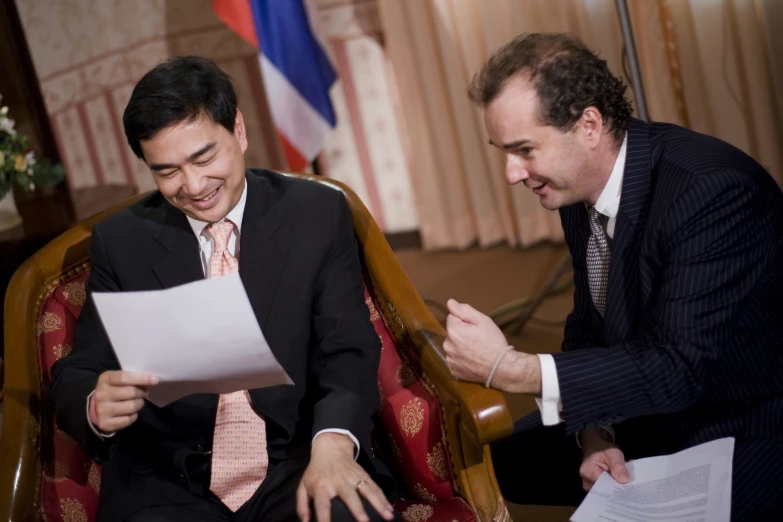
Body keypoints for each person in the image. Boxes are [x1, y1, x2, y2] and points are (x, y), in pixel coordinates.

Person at [442, 32, 783, 521]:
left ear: (589, 125)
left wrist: (511, 368)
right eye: (503, 151)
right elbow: (590, 325)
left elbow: (677, 368)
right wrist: (594, 433)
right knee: (490, 464)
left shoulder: (711, 191)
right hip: (649, 403)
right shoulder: (577, 186)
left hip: (743, 416)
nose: (511, 173)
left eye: (524, 150)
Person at [49, 56, 401, 522]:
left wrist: (333, 446)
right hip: (166, 480)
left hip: (296, 456)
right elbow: (81, 369)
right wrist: (96, 402)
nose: (194, 187)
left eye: (204, 157)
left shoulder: (316, 215)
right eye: (166, 171)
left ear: (237, 129)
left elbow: (349, 350)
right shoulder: (122, 242)